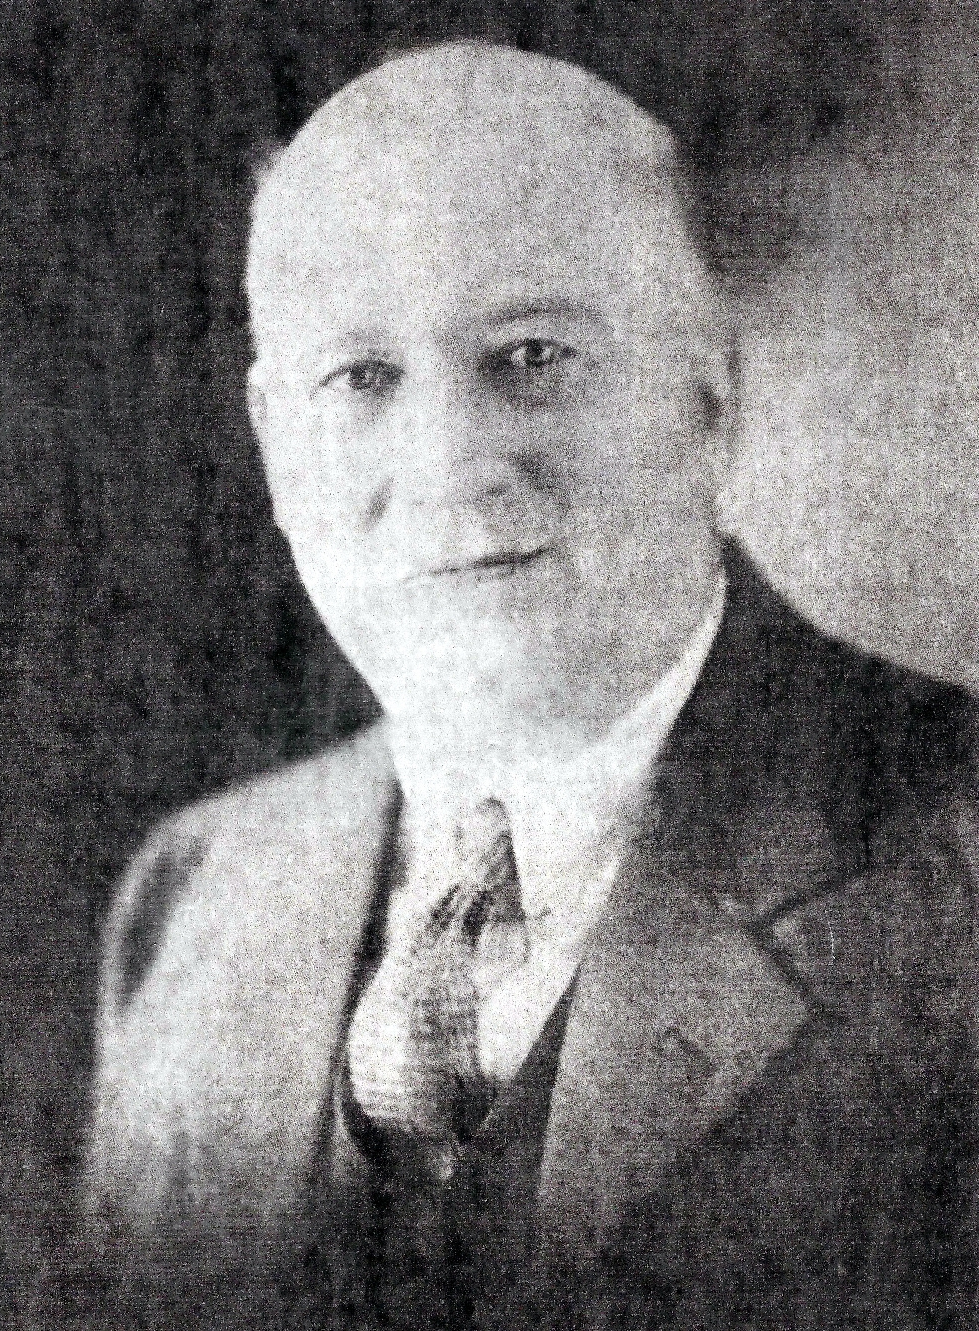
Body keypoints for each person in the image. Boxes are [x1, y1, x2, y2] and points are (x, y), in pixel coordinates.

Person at [84, 41, 977, 1330]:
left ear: (708, 390)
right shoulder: (192, 897)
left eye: (532, 355)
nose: (448, 466)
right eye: (360, 379)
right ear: (278, 449)